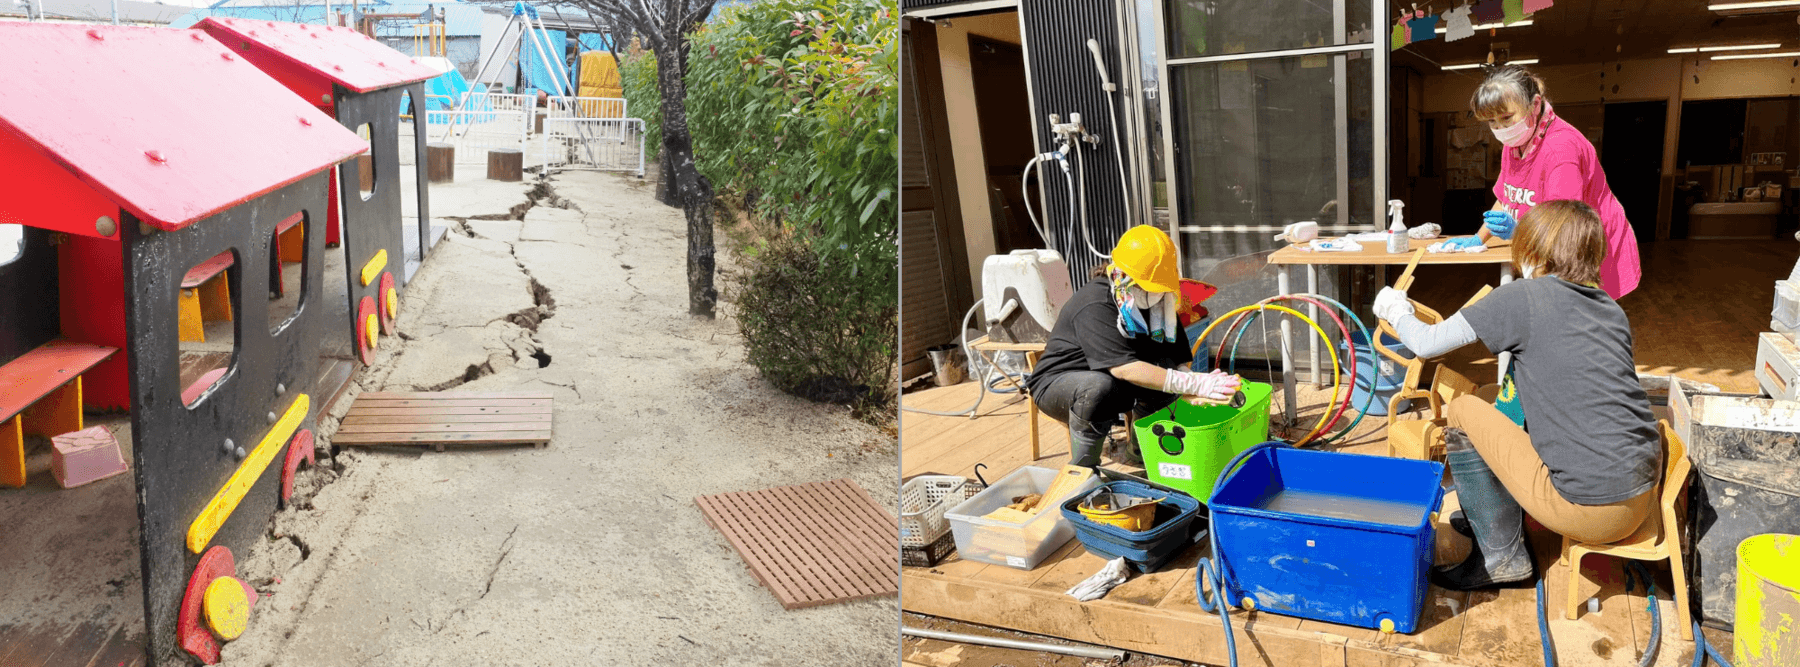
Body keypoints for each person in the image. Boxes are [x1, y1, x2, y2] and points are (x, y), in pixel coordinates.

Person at [1374, 200, 1659, 591]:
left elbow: (1426, 343)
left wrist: (1396, 309)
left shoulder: (1523, 297)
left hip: (1587, 511)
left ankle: (1501, 557)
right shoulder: (1610, 309)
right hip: (1640, 500)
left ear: (1534, 249)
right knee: (1497, 394)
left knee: (1462, 409)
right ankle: (1490, 515)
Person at [1025, 225, 1242, 468]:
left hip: (1114, 381)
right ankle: (1083, 470)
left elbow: (1177, 358)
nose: (1155, 294)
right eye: (1149, 286)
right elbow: (1123, 369)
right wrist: (1190, 383)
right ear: (1125, 278)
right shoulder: (1096, 302)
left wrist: (1192, 384)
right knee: (1100, 388)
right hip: (1061, 384)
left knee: (1165, 375)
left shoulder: (1161, 304)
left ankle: (1143, 453)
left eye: (1159, 287)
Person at [1437, 64, 1641, 301]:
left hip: (1585, 249)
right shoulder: (1515, 141)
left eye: (1506, 117)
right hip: (1545, 247)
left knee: (1578, 325)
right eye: (1492, 122)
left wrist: (1519, 232)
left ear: (1534, 105)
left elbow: (1562, 227)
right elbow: (1508, 196)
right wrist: (1478, 239)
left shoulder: (1560, 150)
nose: (1501, 128)